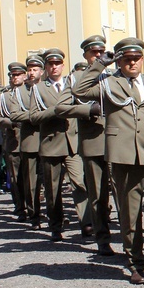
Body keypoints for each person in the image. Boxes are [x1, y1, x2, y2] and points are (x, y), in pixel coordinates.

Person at [73, 37, 144, 284]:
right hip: (124, 159)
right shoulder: (109, 83)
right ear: (119, 60)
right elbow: (79, 90)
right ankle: (136, 264)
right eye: (127, 59)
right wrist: (100, 65)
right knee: (130, 215)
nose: (133, 63)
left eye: (136, 58)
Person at [55, 35, 114, 256]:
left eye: (101, 52)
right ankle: (103, 238)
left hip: (119, 141)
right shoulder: (76, 78)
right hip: (93, 142)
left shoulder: (113, 75)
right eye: (93, 53)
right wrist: (87, 110)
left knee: (123, 192)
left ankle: (129, 238)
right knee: (98, 194)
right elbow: (61, 108)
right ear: (85, 56)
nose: (98, 56)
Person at [30, 48, 92, 242]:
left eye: (57, 64)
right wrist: (55, 111)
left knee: (80, 183)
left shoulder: (71, 83)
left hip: (72, 143)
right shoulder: (39, 89)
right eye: (50, 64)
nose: (54, 67)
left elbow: (82, 105)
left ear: (63, 66)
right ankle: (56, 225)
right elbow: (34, 116)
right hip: (51, 144)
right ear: (46, 67)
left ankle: (87, 223)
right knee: (53, 189)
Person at [10, 55, 45, 229]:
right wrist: (36, 116)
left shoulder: (48, 88)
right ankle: (34, 215)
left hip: (51, 140)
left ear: (41, 71)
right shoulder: (20, 92)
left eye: (35, 69)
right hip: (30, 141)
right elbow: (14, 115)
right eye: (29, 69)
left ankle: (55, 215)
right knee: (32, 182)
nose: (32, 73)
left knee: (53, 183)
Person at [0, 62, 26, 221]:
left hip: (31, 141)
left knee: (34, 178)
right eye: (12, 75)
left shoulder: (31, 92)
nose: (14, 78)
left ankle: (36, 208)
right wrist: (12, 123)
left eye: (17, 75)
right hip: (13, 142)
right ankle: (20, 208)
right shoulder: (4, 96)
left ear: (24, 76)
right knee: (15, 179)